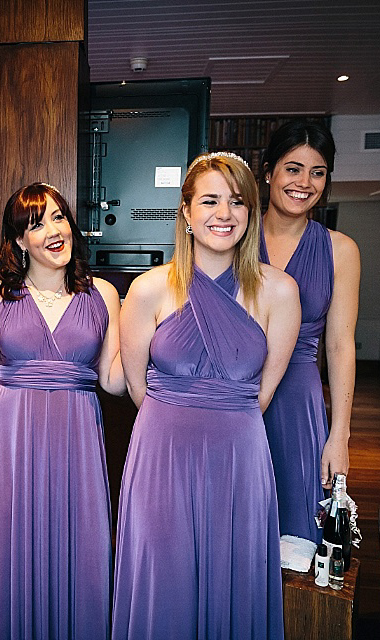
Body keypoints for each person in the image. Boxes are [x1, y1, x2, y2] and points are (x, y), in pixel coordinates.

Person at [112, 152, 300, 639]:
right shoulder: (149, 289)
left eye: (237, 202)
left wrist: (219, 422)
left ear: (251, 213)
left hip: (238, 459)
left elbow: (264, 392)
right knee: (162, 574)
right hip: (162, 455)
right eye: (210, 200)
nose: (224, 213)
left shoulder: (280, 292)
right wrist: (179, 421)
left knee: (233, 571)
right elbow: (137, 386)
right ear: (186, 213)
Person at [0, 182, 124, 640]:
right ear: (19, 241)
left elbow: (112, 377)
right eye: (37, 223)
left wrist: (156, 340)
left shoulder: (103, 294)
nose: (53, 230)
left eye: (59, 217)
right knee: (10, 553)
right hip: (9, 443)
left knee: (78, 552)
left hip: (77, 442)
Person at [259, 120, 360, 554]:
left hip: (298, 399)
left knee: (296, 525)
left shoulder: (340, 250)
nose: (304, 183)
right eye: (293, 169)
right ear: (268, 173)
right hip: (238, 393)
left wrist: (340, 435)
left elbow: (340, 346)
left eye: (317, 172)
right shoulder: (235, 236)